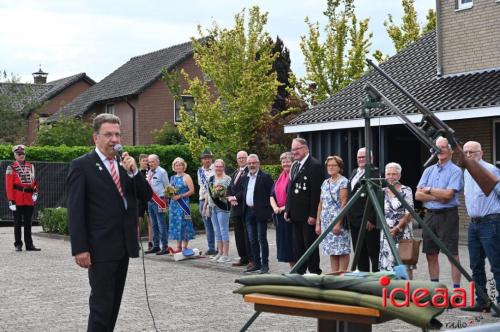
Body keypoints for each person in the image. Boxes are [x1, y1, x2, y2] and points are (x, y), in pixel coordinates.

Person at [67, 113, 152, 331]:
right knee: (101, 306)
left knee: (113, 305)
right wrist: (80, 248)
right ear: (96, 137)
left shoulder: (125, 164)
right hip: (99, 248)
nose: (114, 140)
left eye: (117, 134)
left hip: (123, 245)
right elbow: (76, 210)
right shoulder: (82, 166)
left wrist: (134, 173)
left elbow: (147, 195)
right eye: (108, 135)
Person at [416, 136, 463, 288]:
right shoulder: (428, 170)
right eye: (437, 147)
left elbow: (448, 196)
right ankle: (435, 288)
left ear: (450, 151)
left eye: (443, 147)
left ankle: (456, 290)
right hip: (429, 214)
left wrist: (429, 191)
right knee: (430, 254)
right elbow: (418, 195)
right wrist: (438, 195)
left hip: (447, 215)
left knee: (452, 254)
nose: (440, 150)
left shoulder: (455, 171)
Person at [461, 141, 500, 315]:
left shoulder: (491, 170)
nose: (469, 155)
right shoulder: (466, 172)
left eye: (472, 152)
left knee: (496, 264)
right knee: (475, 265)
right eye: (466, 152)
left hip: (490, 222)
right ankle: (482, 301)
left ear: (481, 153)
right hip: (473, 224)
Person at [285, 138, 323, 275]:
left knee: (310, 245)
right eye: (292, 149)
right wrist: (288, 209)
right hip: (295, 214)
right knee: (298, 246)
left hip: (308, 215)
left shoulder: (314, 165)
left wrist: (313, 215)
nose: (294, 152)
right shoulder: (295, 165)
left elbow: (316, 193)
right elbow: (290, 189)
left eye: (297, 149)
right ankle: (300, 272)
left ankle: (314, 272)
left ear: (305, 148)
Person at [379, 162, 415, 279]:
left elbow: (409, 213)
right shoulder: (381, 191)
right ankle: (389, 292)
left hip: (403, 233)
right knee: (387, 264)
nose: (390, 177)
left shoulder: (406, 190)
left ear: (399, 176)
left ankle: (407, 291)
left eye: (394, 174)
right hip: (386, 233)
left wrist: (397, 228)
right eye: (388, 174)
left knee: (404, 264)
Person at [347, 147, 380, 272]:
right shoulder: (354, 172)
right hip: (354, 221)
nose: (360, 159)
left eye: (363, 157)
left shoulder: (375, 173)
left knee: (373, 252)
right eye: (359, 157)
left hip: (367, 221)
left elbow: (376, 197)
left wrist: (371, 219)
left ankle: (377, 279)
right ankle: (364, 279)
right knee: (360, 253)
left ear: (370, 159)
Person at [316, 156, 350, 273]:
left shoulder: (343, 182)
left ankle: (342, 275)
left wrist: (337, 223)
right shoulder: (325, 183)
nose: (330, 167)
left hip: (337, 222)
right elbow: (321, 203)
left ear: (339, 167)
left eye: (334, 165)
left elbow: (344, 203)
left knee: (342, 249)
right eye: (329, 165)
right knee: (332, 250)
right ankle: (334, 275)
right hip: (326, 222)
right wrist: (318, 223)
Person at [241, 154, 274, 274]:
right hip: (249, 212)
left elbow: (271, 195)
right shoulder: (245, 177)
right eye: (249, 163)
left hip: (261, 212)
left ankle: (265, 265)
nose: (251, 165)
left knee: (261, 239)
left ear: (258, 163)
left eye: (254, 163)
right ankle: (256, 263)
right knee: (252, 239)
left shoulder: (265, 177)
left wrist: (269, 212)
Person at [5, 144, 40, 251]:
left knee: (28, 223)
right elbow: (8, 185)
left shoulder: (31, 166)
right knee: (17, 223)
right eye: (19, 154)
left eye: (22, 154)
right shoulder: (11, 167)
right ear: (15, 155)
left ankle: (29, 245)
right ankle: (18, 244)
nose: (21, 156)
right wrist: (11, 200)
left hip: (29, 198)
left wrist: (35, 192)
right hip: (17, 198)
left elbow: (34, 182)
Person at [270, 152, 296, 268]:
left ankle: (299, 270)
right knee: (286, 248)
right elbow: (271, 195)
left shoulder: (294, 177)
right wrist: (275, 207)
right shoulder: (279, 178)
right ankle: (293, 269)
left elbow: (296, 197)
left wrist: (283, 208)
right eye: (283, 161)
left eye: (288, 161)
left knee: (293, 246)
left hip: (291, 215)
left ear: (293, 162)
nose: (285, 164)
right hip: (280, 217)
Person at [227, 151, 252, 268]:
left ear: (247, 159)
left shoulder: (249, 172)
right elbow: (230, 187)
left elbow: (245, 188)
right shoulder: (236, 172)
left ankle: (251, 258)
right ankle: (243, 257)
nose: (241, 160)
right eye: (239, 158)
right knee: (238, 235)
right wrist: (229, 197)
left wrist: (235, 197)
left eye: (243, 158)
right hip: (235, 207)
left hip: (244, 207)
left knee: (248, 234)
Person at [205, 159, 232, 263]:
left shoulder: (227, 179)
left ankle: (226, 255)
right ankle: (219, 253)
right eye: (216, 166)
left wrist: (221, 193)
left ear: (223, 167)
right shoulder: (211, 178)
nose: (218, 168)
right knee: (217, 231)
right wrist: (206, 207)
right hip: (212, 207)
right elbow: (208, 194)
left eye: (220, 166)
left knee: (223, 230)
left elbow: (230, 193)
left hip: (222, 207)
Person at [168, 157, 195, 253]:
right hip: (174, 205)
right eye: (176, 165)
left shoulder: (186, 177)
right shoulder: (172, 178)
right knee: (176, 225)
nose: (178, 167)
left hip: (183, 205)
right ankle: (178, 247)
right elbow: (170, 190)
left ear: (184, 166)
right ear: (174, 167)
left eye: (180, 165)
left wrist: (180, 196)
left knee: (185, 224)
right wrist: (170, 194)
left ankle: (185, 247)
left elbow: (192, 191)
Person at [145, 154, 170, 255]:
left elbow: (167, 186)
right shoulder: (149, 172)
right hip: (150, 200)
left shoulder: (162, 172)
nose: (150, 163)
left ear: (157, 161)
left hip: (159, 200)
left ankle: (165, 247)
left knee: (161, 224)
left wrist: (166, 201)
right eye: (149, 162)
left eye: (152, 161)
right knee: (153, 224)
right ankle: (156, 246)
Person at [198, 148, 216, 256]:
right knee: (207, 225)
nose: (207, 160)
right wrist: (205, 199)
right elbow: (201, 185)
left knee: (216, 225)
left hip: (214, 200)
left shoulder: (216, 168)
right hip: (202, 199)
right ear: (202, 160)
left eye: (209, 158)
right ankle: (211, 247)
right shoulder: (199, 171)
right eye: (205, 158)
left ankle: (219, 247)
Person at [138, 153, 153, 250]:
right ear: (139, 161)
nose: (145, 162)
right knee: (137, 221)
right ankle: (137, 242)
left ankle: (150, 241)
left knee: (150, 220)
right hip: (139, 199)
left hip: (148, 198)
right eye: (143, 161)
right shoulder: (136, 173)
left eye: (147, 161)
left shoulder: (151, 172)